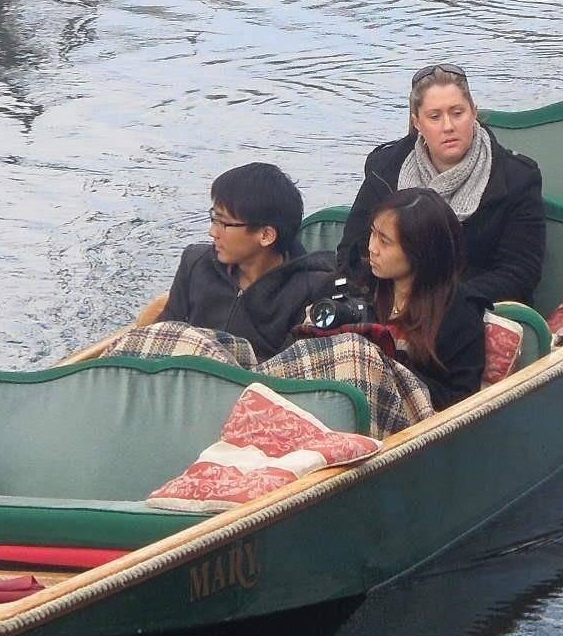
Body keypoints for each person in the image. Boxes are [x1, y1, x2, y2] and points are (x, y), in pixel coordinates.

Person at [340, 63, 543, 308]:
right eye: (435, 117)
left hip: (472, 310)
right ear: (417, 122)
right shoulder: (385, 169)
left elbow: (520, 274)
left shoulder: (517, 178)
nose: (448, 126)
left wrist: (439, 302)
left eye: (457, 113)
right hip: (388, 304)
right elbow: (352, 251)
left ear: (474, 112)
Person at [157, 162, 333, 360]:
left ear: (266, 235)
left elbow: (291, 370)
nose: (212, 232)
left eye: (224, 223)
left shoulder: (311, 291)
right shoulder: (195, 262)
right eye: (214, 218)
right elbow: (163, 336)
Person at [358, 189, 485, 411]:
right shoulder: (364, 286)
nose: (372, 248)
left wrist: (390, 366)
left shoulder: (459, 316)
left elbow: (462, 402)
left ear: (419, 252)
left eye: (384, 242)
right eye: (372, 233)